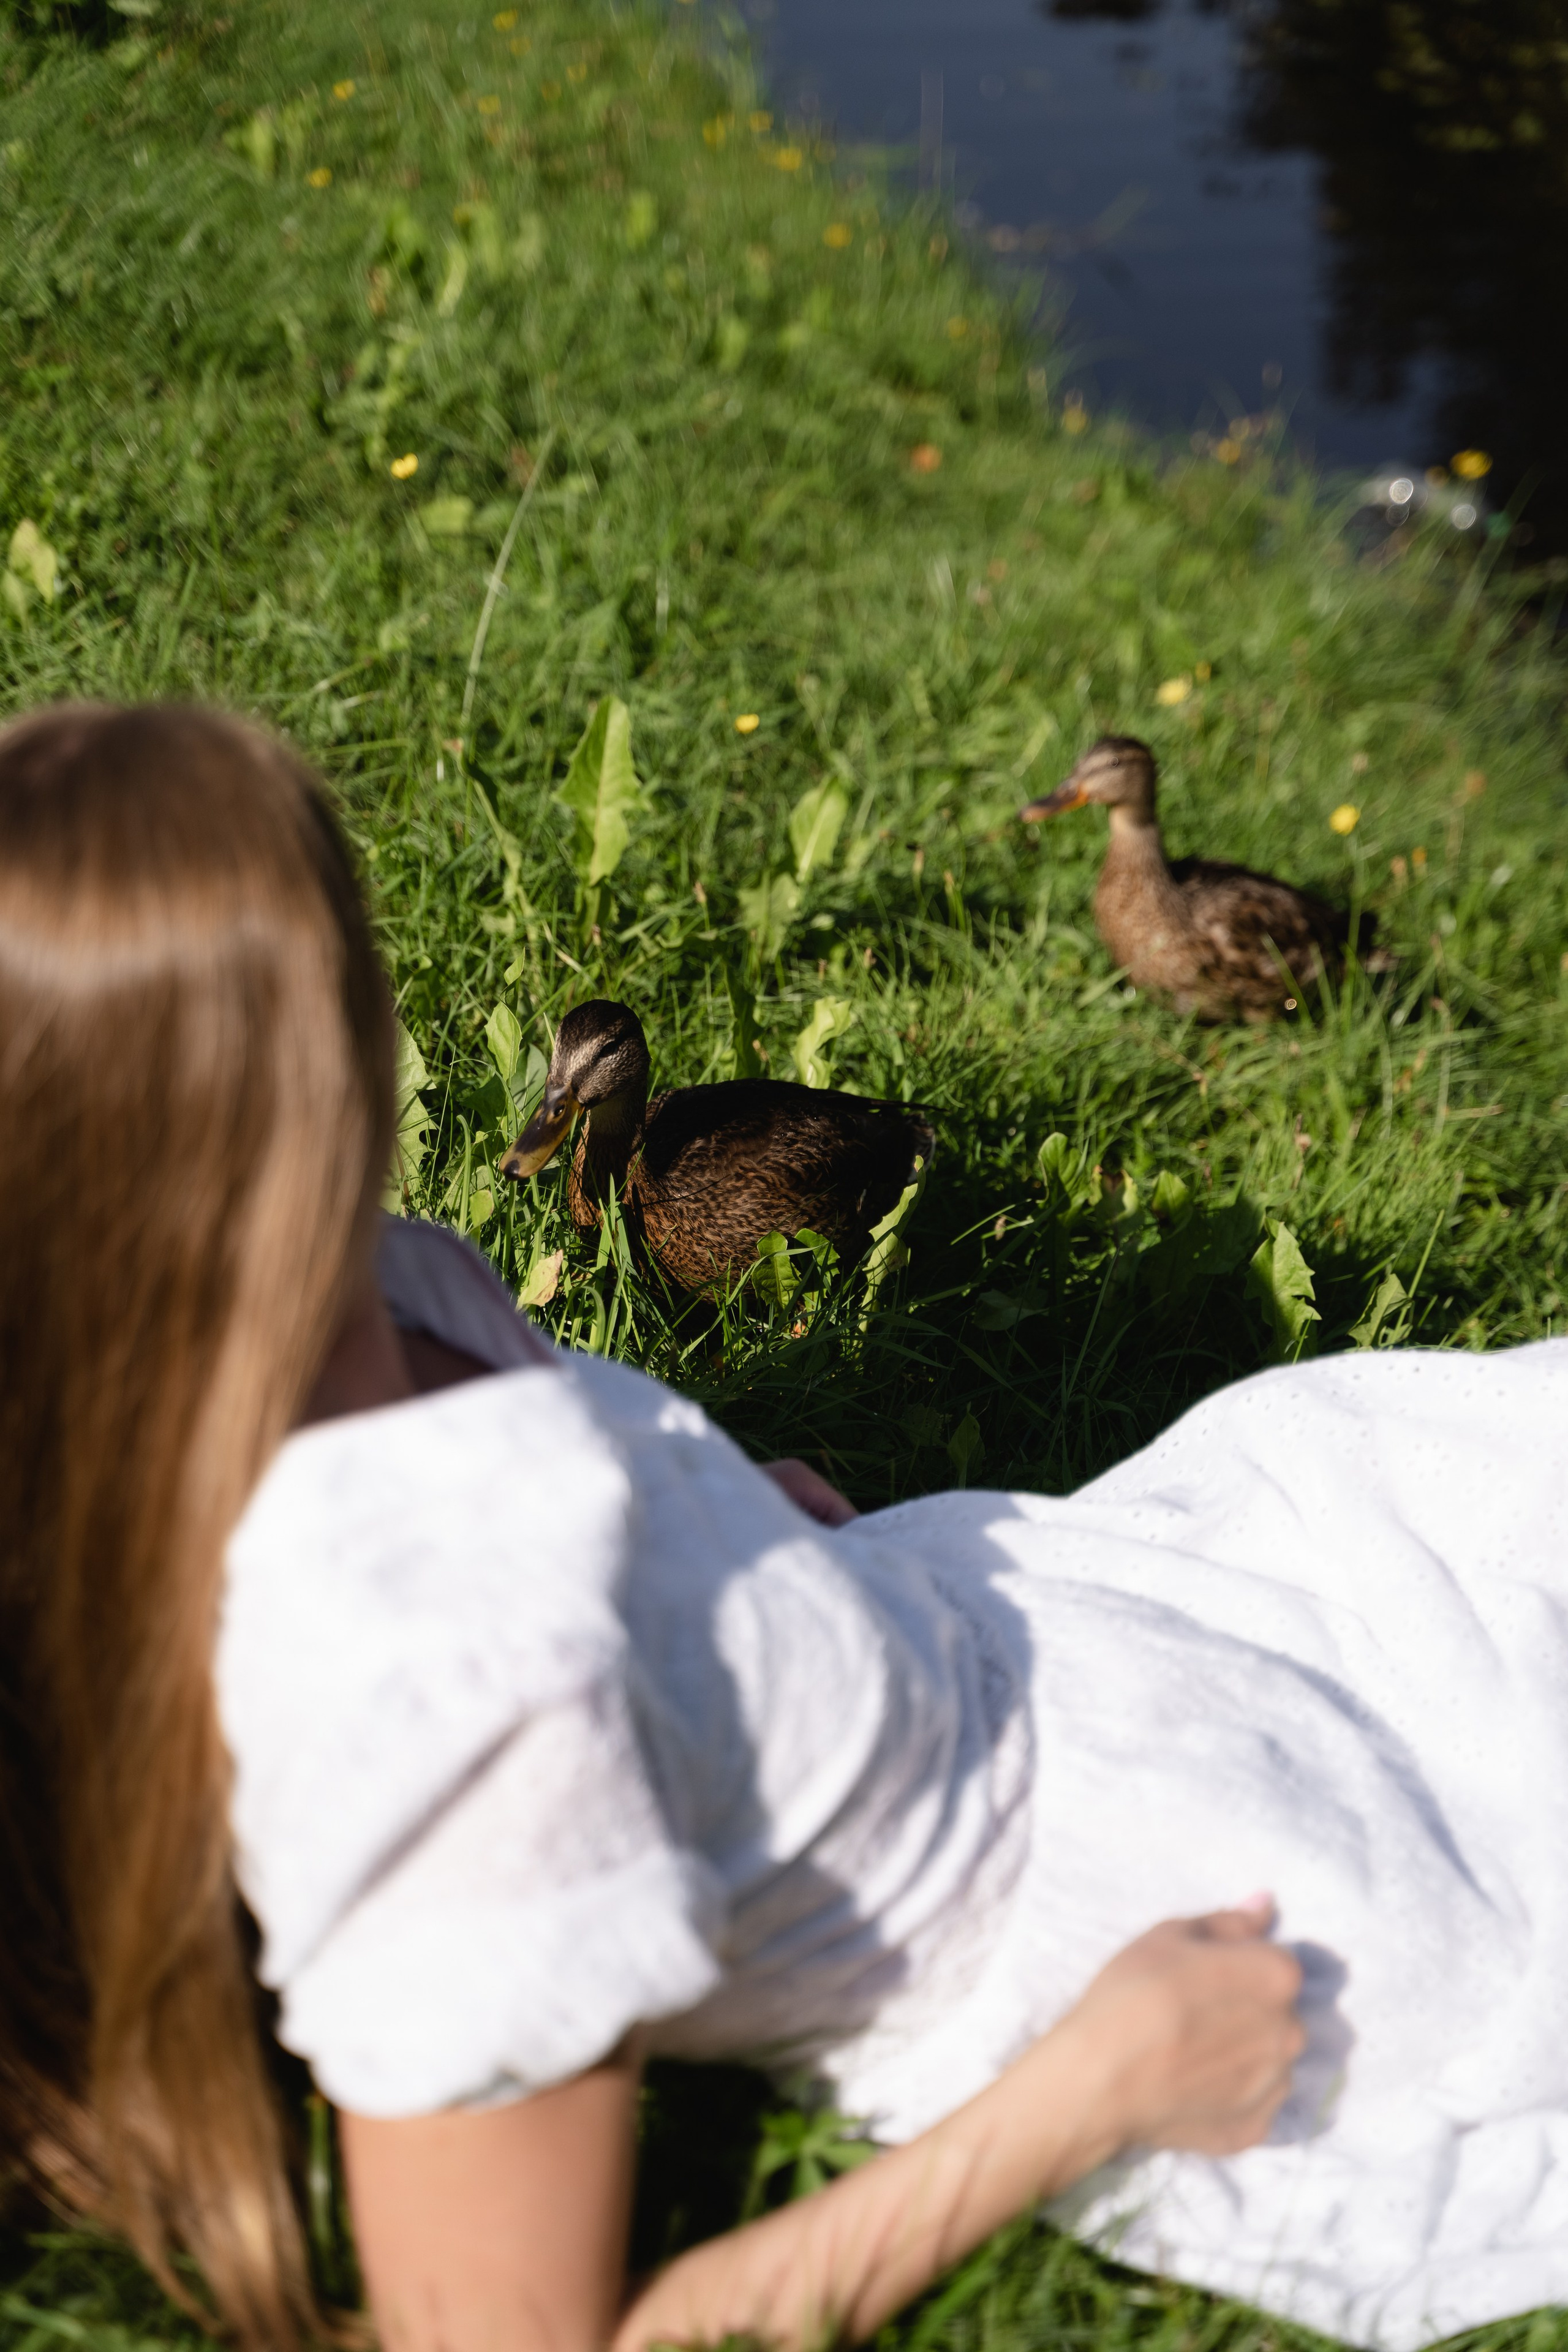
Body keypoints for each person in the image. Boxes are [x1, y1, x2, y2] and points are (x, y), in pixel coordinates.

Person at [1, 704, 1564, 2352]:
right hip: (1122, 1886)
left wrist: (711, 1517)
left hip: (1037, 1612)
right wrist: (1095, 2084)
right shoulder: (448, 1683)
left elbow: (561, 1486)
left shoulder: (368, 1280)